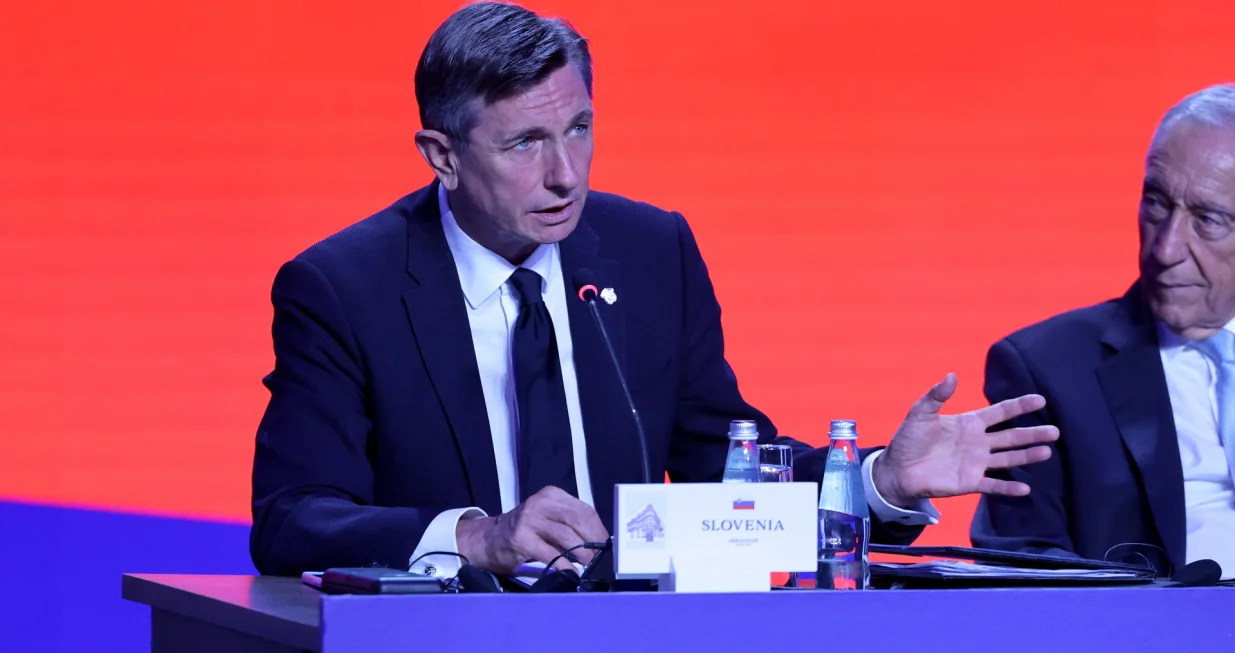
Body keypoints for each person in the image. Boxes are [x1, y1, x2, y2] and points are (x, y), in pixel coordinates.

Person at [249, 1, 1058, 580]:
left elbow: (725, 471)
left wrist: (877, 479)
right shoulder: (341, 288)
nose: (565, 174)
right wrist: (477, 536)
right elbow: (292, 519)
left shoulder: (647, 251)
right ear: (442, 155)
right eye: (525, 142)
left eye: (578, 128)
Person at [971, 84, 1235, 578]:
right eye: (1156, 203)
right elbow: (1021, 564)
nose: (1166, 248)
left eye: (1208, 220)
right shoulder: (1045, 368)